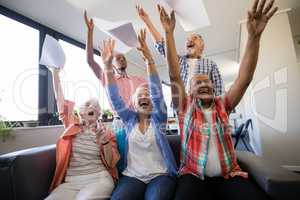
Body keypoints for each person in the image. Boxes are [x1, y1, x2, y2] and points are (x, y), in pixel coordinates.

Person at [159, 0, 278, 199]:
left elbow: (244, 79)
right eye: (197, 83)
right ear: (189, 91)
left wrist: (254, 37)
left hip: (229, 175)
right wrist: (169, 34)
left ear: (213, 86)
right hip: (193, 175)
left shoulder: (224, 104)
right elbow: (174, 76)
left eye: (207, 81)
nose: (204, 84)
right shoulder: (185, 106)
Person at [102, 29, 177, 200]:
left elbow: (157, 93)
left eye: (147, 94)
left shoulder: (159, 119)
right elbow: (114, 98)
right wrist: (107, 67)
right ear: (134, 103)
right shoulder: (129, 120)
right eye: (140, 95)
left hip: (160, 175)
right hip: (132, 176)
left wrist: (149, 60)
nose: (145, 96)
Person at [46, 67, 120, 200]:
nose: (92, 106)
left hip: (98, 178)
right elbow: (60, 101)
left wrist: (104, 141)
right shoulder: (72, 125)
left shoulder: (107, 133)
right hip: (71, 181)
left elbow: (111, 163)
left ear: (98, 113)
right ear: (81, 112)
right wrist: (55, 73)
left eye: (96, 106)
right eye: (88, 104)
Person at [136, 5, 224, 96]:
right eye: (188, 39)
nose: (190, 40)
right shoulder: (178, 61)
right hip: (180, 105)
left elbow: (219, 90)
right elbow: (162, 45)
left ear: (202, 46)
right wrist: (147, 21)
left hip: (202, 107)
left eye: (194, 38)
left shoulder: (210, 64)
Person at [84, 11, 146, 108]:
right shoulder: (108, 79)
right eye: (118, 58)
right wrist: (90, 32)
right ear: (112, 64)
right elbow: (90, 61)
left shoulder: (138, 80)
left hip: (137, 118)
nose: (122, 59)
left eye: (123, 58)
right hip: (119, 120)